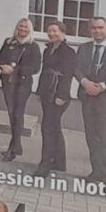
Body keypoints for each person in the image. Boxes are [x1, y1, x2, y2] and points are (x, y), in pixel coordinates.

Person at [73, 14, 106, 187]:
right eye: (94, 28)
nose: (97, 31)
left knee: (105, 138)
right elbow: (76, 69)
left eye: (100, 27)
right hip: (87, 97)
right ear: (90, 30)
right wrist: (85, 82)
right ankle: (95, 172)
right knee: (91, 137)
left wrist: (103, 85)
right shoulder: (84, 48)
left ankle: (103, 179)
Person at [0, 16, 43, 161]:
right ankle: (17, 144)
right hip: (7, 82)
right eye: (20, 26)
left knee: (18, 113)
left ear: (30, 29)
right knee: (11, 113)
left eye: (25, 27)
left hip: (23, 84)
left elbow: (35, 68)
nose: (22, 29)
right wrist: (3, 66)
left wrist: (14, 70)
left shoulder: (33, 46)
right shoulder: (9, 42)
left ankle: (13, 148)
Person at [35, 18, 76, 174]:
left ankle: (44, 165)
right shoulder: (48, 50)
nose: (51, 33)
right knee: (54, 127)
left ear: (63, 33)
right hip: (47, 93)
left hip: (59, 95)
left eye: (55, 31)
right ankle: (60, 162)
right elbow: (44, 72)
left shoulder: (69, 52)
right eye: (49, 31)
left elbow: (68, 76)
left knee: (48, 128)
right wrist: (40, 91)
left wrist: (62, 95)